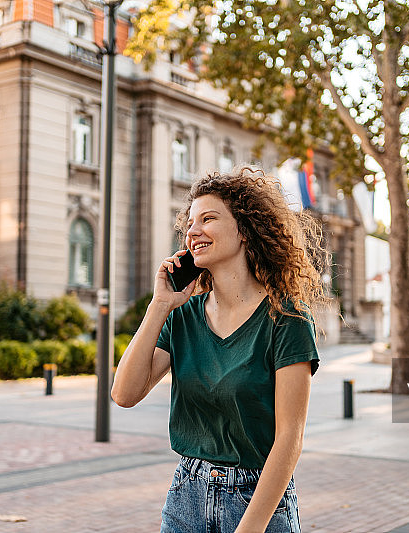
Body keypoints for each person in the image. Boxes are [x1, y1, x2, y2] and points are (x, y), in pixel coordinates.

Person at [111, 166, 328, 533]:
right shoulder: (184, 315)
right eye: (190, 223)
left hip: (258, 502)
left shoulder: (286, 317)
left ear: (244, 229)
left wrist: (250, 528)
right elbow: (124, 393)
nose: (193, 232)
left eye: (208, 219)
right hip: (187, 497)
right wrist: (159, 306)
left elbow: (290, 437)